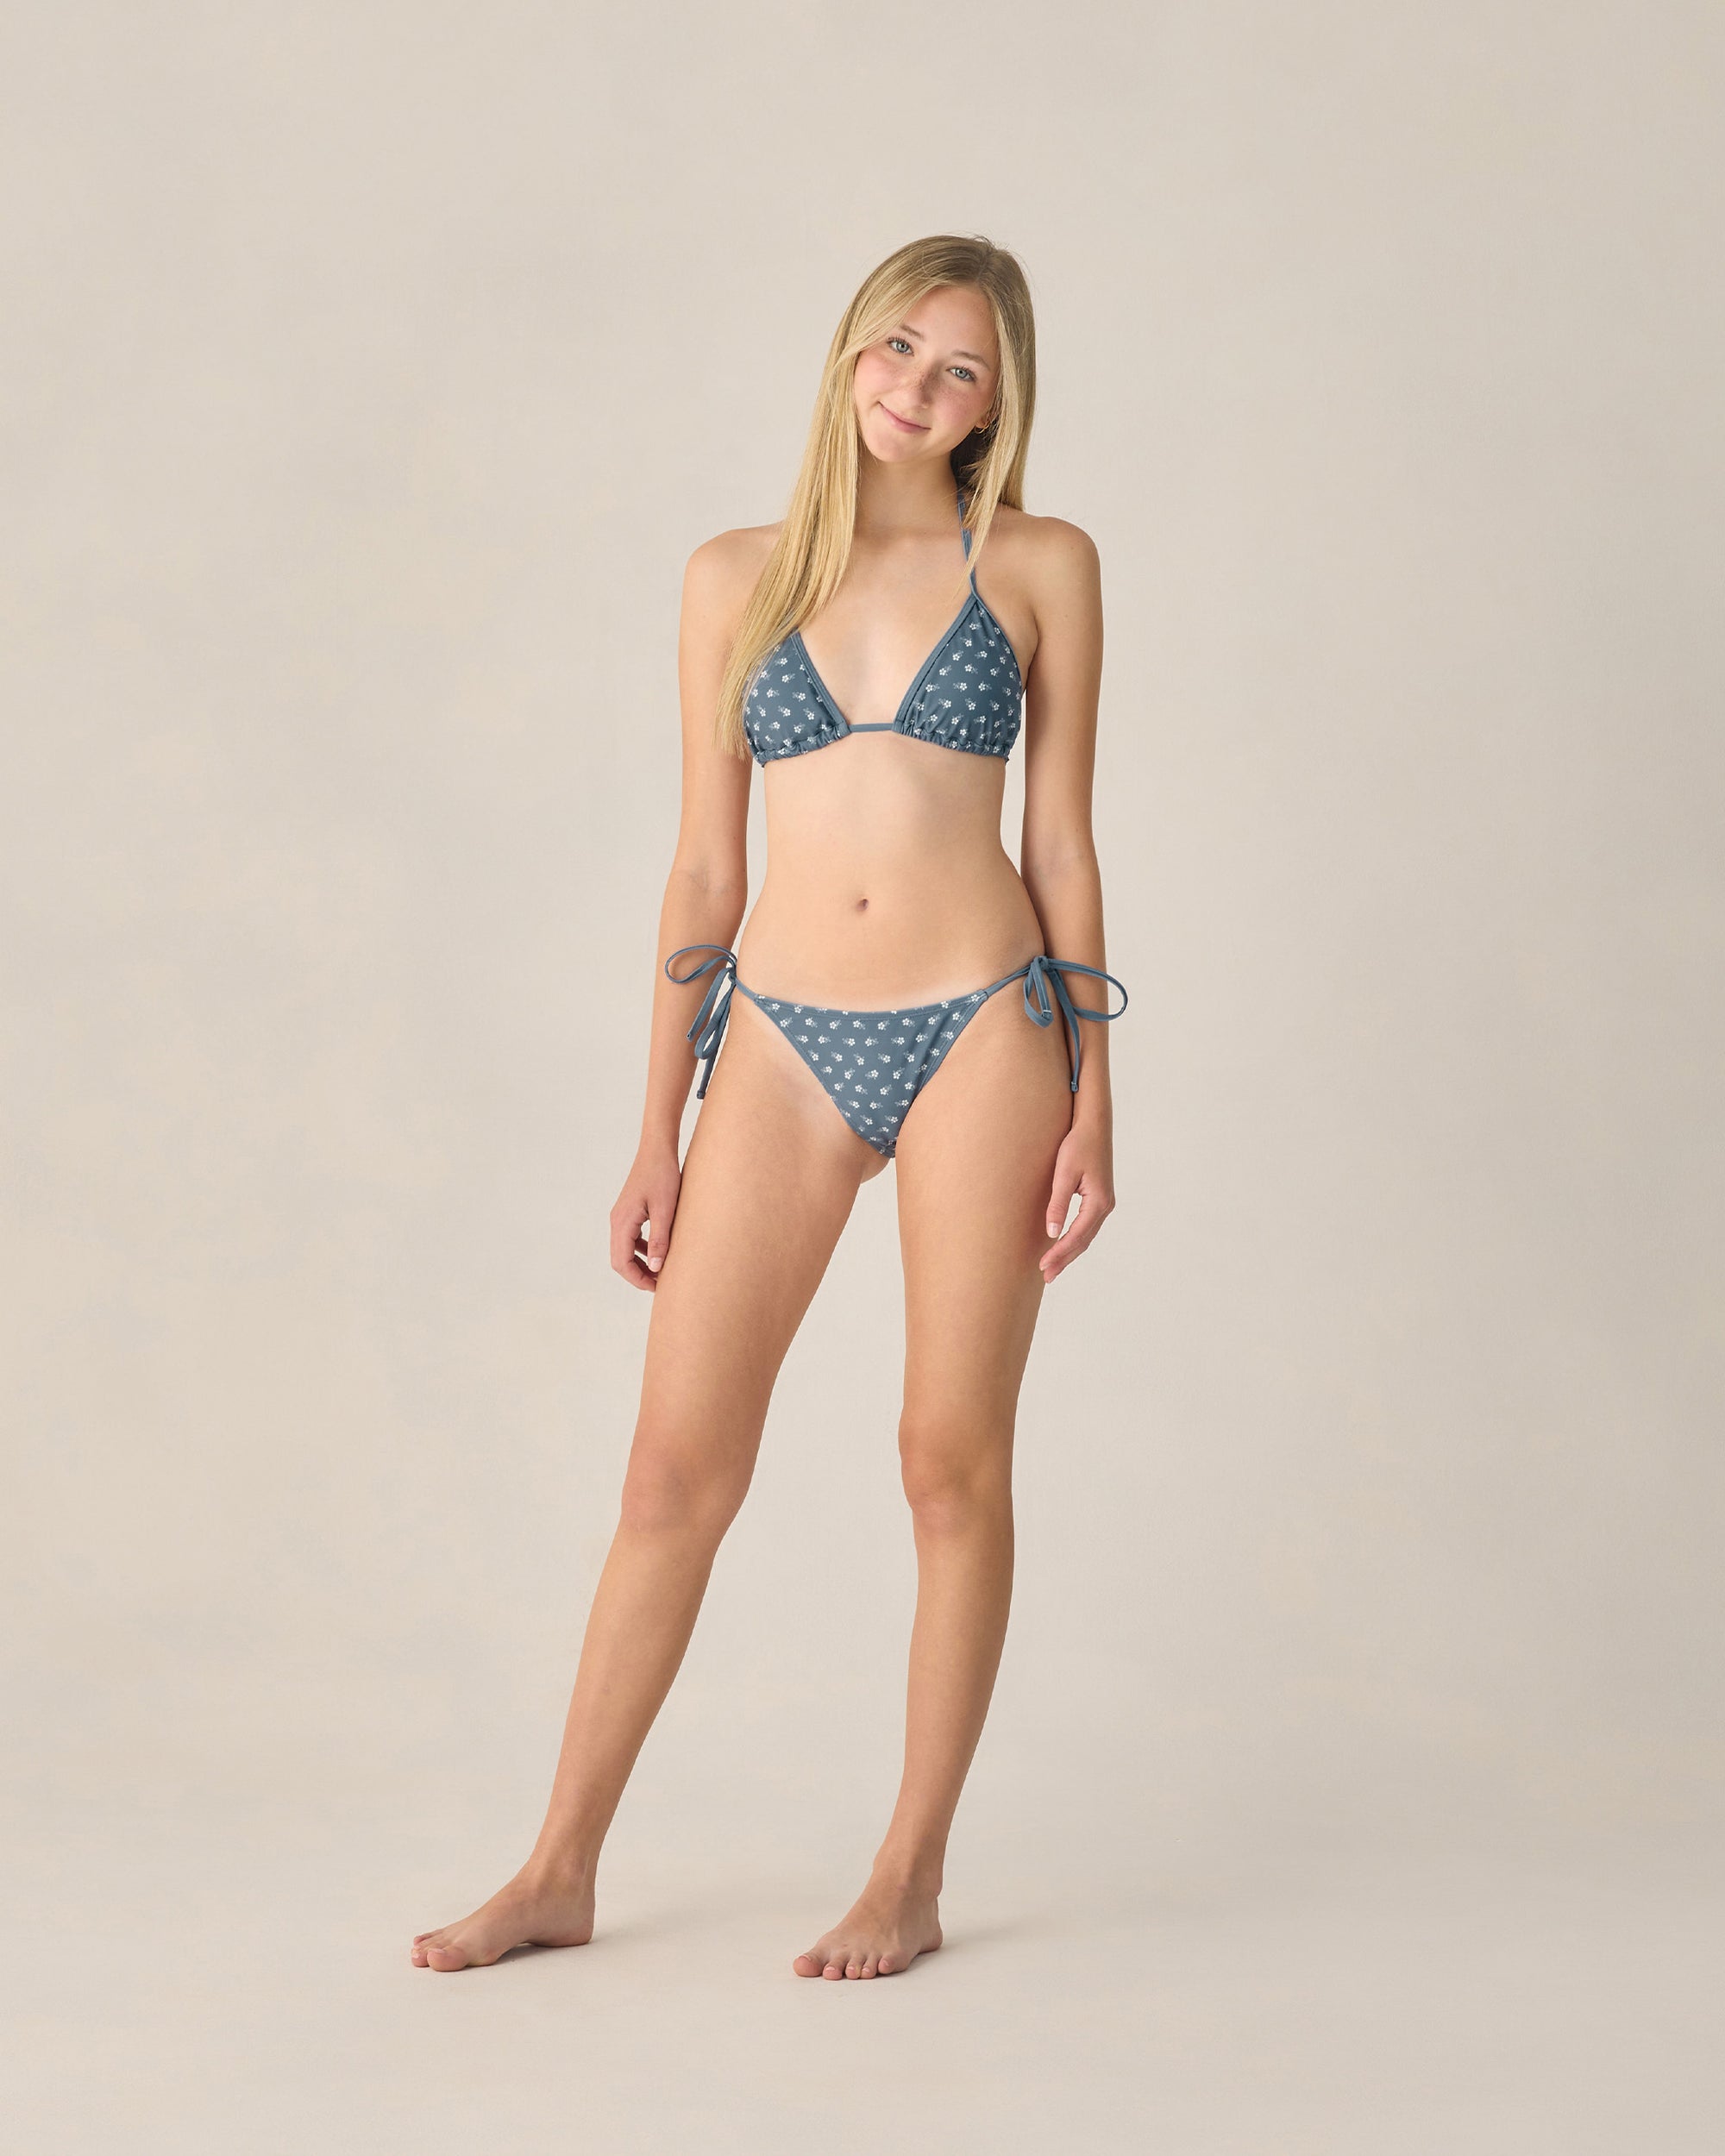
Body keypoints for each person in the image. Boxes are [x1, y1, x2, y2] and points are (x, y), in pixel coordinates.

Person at [411, 234, 1126, 1981]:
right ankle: (558, 1866)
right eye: (898, 347)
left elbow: (1061, 842)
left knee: (945, 1463)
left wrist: (1097, 1097)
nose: (919, 388)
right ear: (847, 353)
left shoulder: (1039, 563)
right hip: (785, 1039)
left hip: (985, 1023)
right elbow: (702, 869)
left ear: (997, 403)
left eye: (961, 369)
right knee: (672, 1469)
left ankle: (909, 1873)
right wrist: (656, 1130)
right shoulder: (733, 575)